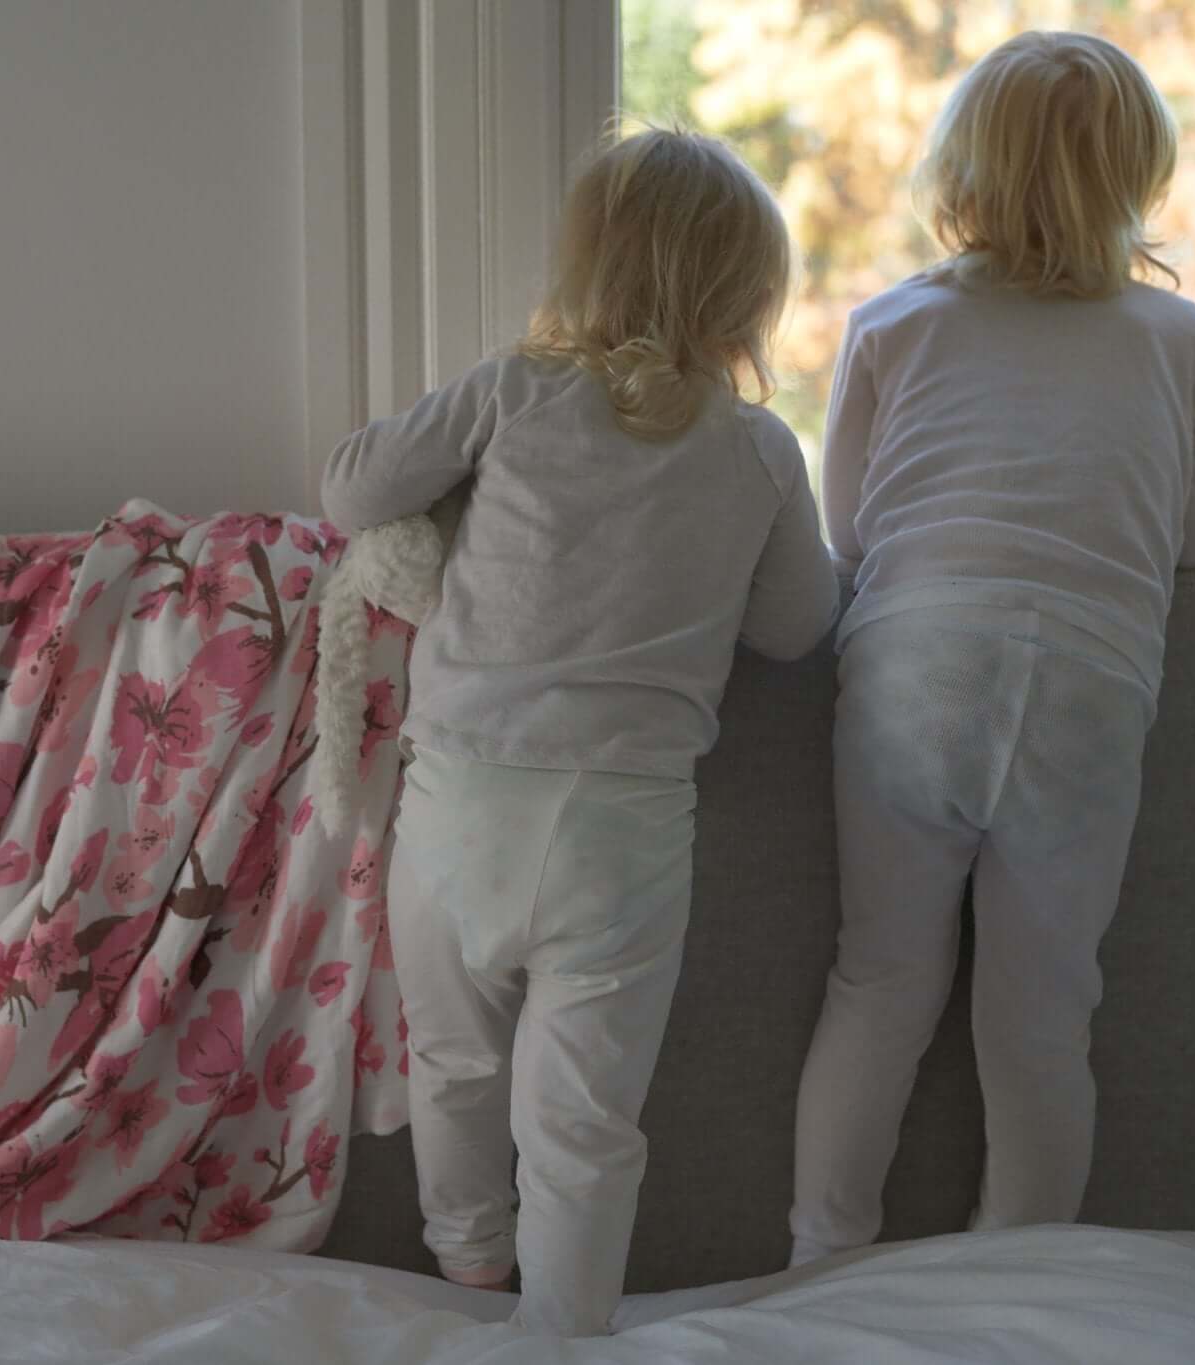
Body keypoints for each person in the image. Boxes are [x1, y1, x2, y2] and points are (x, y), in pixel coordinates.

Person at [320, 127, 836, 1335]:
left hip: (459, 808)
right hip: (622, 827)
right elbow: (795, 628)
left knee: (450, 1065)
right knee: (585, 1121)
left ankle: (466, 1262)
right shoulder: (758, 451)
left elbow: (351, 489)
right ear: (746, 299)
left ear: (584, 269)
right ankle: (564, 1332)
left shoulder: (511, 392)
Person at [789, 30, 1195, 1266]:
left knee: (877, 984)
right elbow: (1193, 542)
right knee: (1042, 1014)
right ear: (1134, 179)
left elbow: (848, 530)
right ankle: (1016, 1281)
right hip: (1085, 687)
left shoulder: (891, 322)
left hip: (909, 672)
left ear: (961, 172)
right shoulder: (1170, 334)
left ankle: (822, 1265)